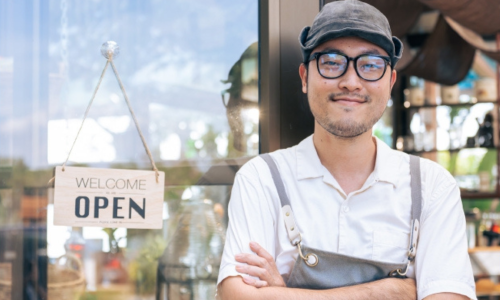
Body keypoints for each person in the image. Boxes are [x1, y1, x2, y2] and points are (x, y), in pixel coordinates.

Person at [217, 0, 476, 299]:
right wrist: (388, 291)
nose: (351, 81)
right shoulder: (262, 179)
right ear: (305, 77)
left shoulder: (431, 186)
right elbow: (236, 296)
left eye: (370, 65)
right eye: (331, 62)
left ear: (390, 82)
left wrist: (284, 292)